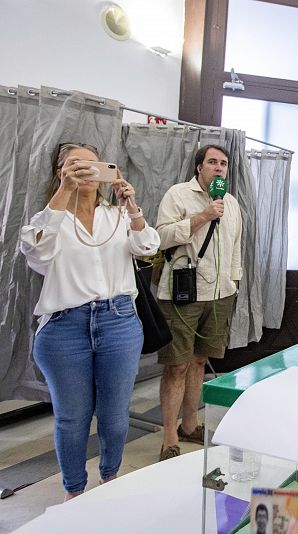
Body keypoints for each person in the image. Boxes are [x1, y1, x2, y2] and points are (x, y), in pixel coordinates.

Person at [19, 142, 160, 500]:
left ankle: (109, 480)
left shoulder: (116, 216)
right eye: (73, 165)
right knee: (71, 418)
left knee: (114, 417)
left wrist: (132, 207)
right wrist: (65, 192)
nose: (84, 171)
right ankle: (74, 492)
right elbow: (36, 252)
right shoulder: (48, 219)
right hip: (65, 327)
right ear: (59, 172)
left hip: (118, 321)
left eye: (91, 165)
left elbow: (147, 247)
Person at [155, 145, 243, 461]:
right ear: (199, 167)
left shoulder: (231, 203)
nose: (219, 168)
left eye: (223, 163)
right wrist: (204, 215)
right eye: (212, 162)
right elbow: (161, 237)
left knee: (198, 361)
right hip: (183, 292)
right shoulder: (178, 195)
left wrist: (233, 282)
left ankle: (190, 425)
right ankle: (168, 437)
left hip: (220, 295)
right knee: (177, 364)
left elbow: (235, 247)